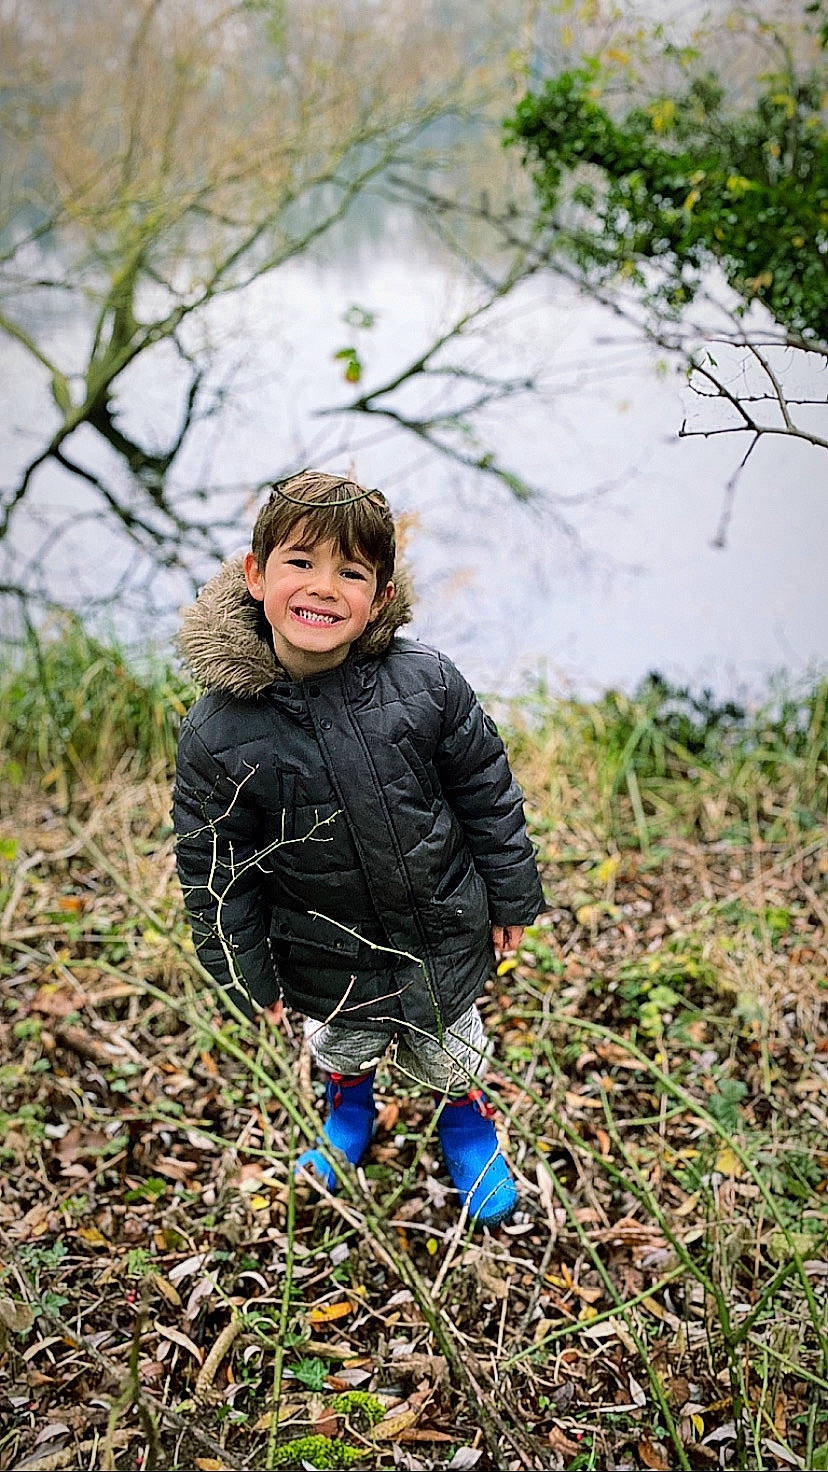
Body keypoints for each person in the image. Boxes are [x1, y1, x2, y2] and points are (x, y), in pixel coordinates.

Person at [173, 470, 545, 1228]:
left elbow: (486, 791)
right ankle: (349, 1116)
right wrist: (245, 967)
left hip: (435, 929)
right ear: (255, 576)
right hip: (321, 950)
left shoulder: (426, 682)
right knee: (341, 1045)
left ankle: (467, 1128)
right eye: (300, 563)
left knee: (451, 1045)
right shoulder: (218, 730)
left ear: (378, 596)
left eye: (351, 571)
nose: (324, 587)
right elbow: (215, 866)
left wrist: (511, 894)